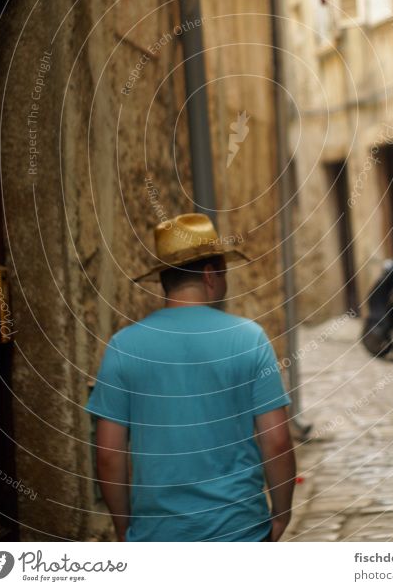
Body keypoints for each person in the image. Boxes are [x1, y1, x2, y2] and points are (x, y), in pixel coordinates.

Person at [86, 213, 296, 542]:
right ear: (211, 275)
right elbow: (278, 442)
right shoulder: (249, 339)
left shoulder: (123, 347)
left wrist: (124, 527)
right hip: (240, 532)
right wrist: (281, 515)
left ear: (165, 280)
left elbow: (109, 456)